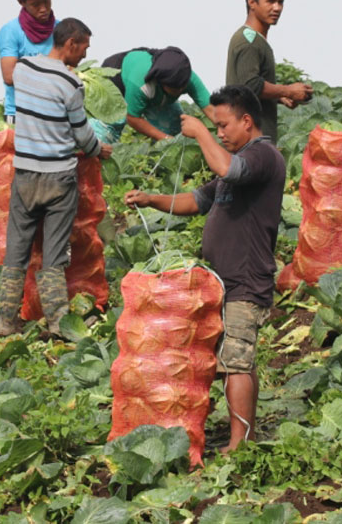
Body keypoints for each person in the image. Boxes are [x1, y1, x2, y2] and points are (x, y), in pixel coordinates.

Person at [124, 85, 284, 452]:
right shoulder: (238, 165)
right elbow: (196, 201)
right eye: (217, 126)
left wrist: (199, 133)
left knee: (235, 363)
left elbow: (225, 167)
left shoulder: (262, 156)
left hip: (245, 279)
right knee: (236, 360)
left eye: (224, 125)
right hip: (222, 281)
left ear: (247, 121)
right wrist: (151, 200)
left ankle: (238, 445)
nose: (221, 133)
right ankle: (243, 436)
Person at [0, 18, 113, 338]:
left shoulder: (22, 70)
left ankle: (6, 322)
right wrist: (98, 150)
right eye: (84, 47)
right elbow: (81, 135)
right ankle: (57, 322)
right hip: (59, 179)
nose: (84, 54)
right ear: (71, 44)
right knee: (54, 255)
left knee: (16, 252)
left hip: (25, 175)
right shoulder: (70, 85)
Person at [225, 0, 314, 140]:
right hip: (249, 141)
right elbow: (250, 85)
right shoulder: (248, 41)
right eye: (271, 1)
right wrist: (288, 90)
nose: (277, 8)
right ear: (252, 2)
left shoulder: (256, 40)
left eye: (281, 2)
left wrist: (280, 97)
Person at [100, 47, 215, 141]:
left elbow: (211, 108)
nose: (180, 91)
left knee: (176, 129)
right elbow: (133, 118)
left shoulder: (187, 77)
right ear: (161, 83)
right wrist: (164, 138)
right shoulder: (141, 84)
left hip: (153, 92)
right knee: (109, 131)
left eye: (182, 87)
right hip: (116, 79)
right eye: (175, 89)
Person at [0, 0, 57, 123]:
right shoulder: (10, 31)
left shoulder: (61, 30)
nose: (43, 9)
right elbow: (10, 76)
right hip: (20, 116)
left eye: (46, 1)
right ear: (21, 2)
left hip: (55, 116)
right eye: (36, 4)